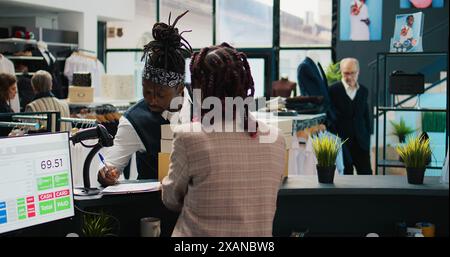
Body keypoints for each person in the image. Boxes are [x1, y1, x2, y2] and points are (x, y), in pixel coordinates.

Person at [161, 42, 286, 237]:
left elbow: (171, 199)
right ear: (244, 84)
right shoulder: (276, 139)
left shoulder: (189, 137)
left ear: (200, 88)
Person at [97, 11, 193, 186]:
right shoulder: (134, 120)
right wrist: (107, 173)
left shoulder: (204, 106)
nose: (152, 100)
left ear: (179, 88)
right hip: (153, 208)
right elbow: (111, 164)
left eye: (160, 95)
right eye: (147, 92)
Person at [329, 58, 372, 175]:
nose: (350, 77)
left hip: (361, 142)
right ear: (341, 72)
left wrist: (367, 137)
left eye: (353, 73)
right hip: (342, 143)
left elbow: (365, 116)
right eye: (346, 73)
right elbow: (330, 118)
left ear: (358, 72)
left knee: (366, 174)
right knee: (346, 177)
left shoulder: (364, 91)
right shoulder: (333, 90)